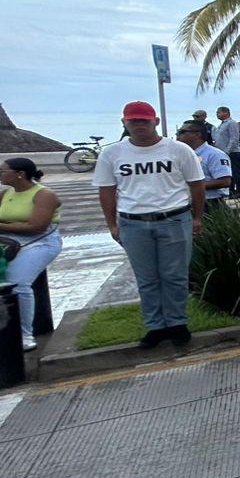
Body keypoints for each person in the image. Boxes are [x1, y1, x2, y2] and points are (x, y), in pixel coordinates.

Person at [92, 101, 206, 349]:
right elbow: (107, 191)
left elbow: (196, 185)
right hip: (133, 222)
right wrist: (112, 224)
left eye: (144, 120)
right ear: (124, 123)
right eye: (133, 121)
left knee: (175, 275)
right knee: (146, 278)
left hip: (174, 218)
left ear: (155, 122)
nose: (139, 125)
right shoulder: (112, 154)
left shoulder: (178, 150)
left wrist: (197, 218)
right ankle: (155, 326)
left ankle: (177, 324)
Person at [0, 158, 63, 352]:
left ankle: (25, 334)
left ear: (20, 174)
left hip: (40, 241)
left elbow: (37, 227)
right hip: (8, 241)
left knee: (18, 283)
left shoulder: (44, 195)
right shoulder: (5, 194)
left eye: (4, 170)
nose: (1, 174)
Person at [175, 121, 233, 214]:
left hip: (210, 204)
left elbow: (225, 181)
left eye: (182, 132)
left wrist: (194, 186)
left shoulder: (214, 154)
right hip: (186, 203)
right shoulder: (183, 154)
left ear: (197, 134)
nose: (177, 135)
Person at [214, 106, 240, 198]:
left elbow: (234, 138)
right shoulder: (222, 124)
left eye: (218, 112)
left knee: (236, 172)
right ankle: (231, 191)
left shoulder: (231, 123)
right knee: (229, 173)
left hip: (232, 152)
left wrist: (227, 151)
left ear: (226, 113)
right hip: (223, 152)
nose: (217, 114)